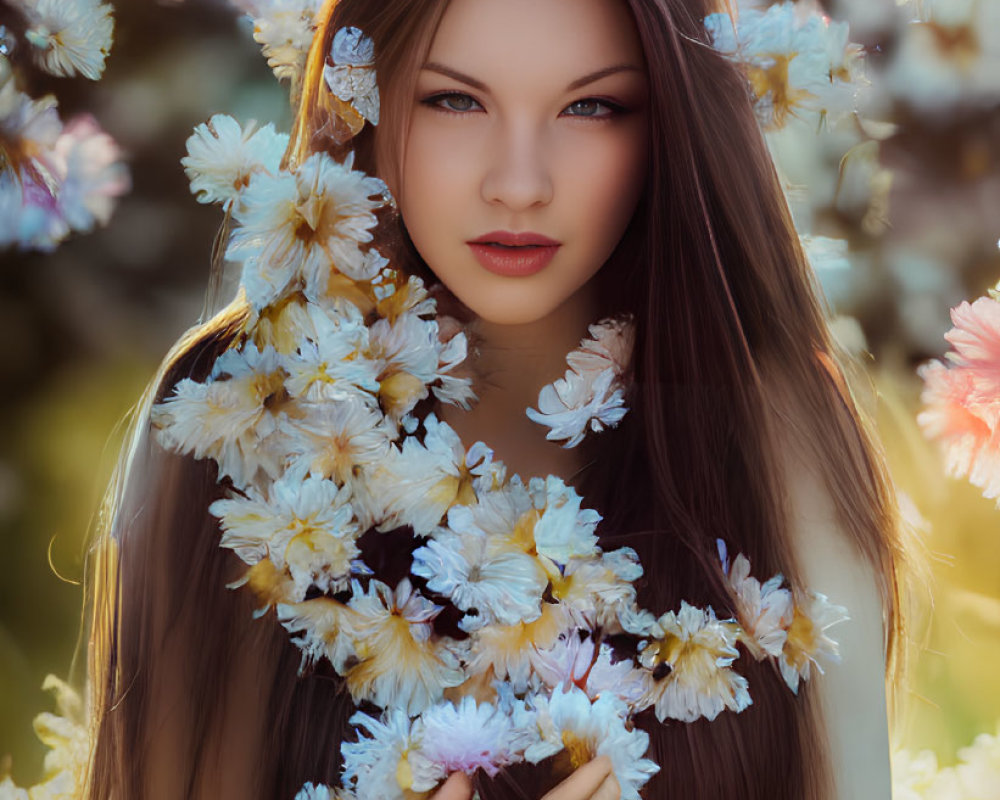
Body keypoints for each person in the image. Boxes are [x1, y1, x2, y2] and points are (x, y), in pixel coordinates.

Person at [78, 0, 905, 797]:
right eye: (454, 100)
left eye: (591, 105)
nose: (519, 183)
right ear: (365, 92)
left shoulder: (774, 427)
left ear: (669, 120)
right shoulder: (233, 414)